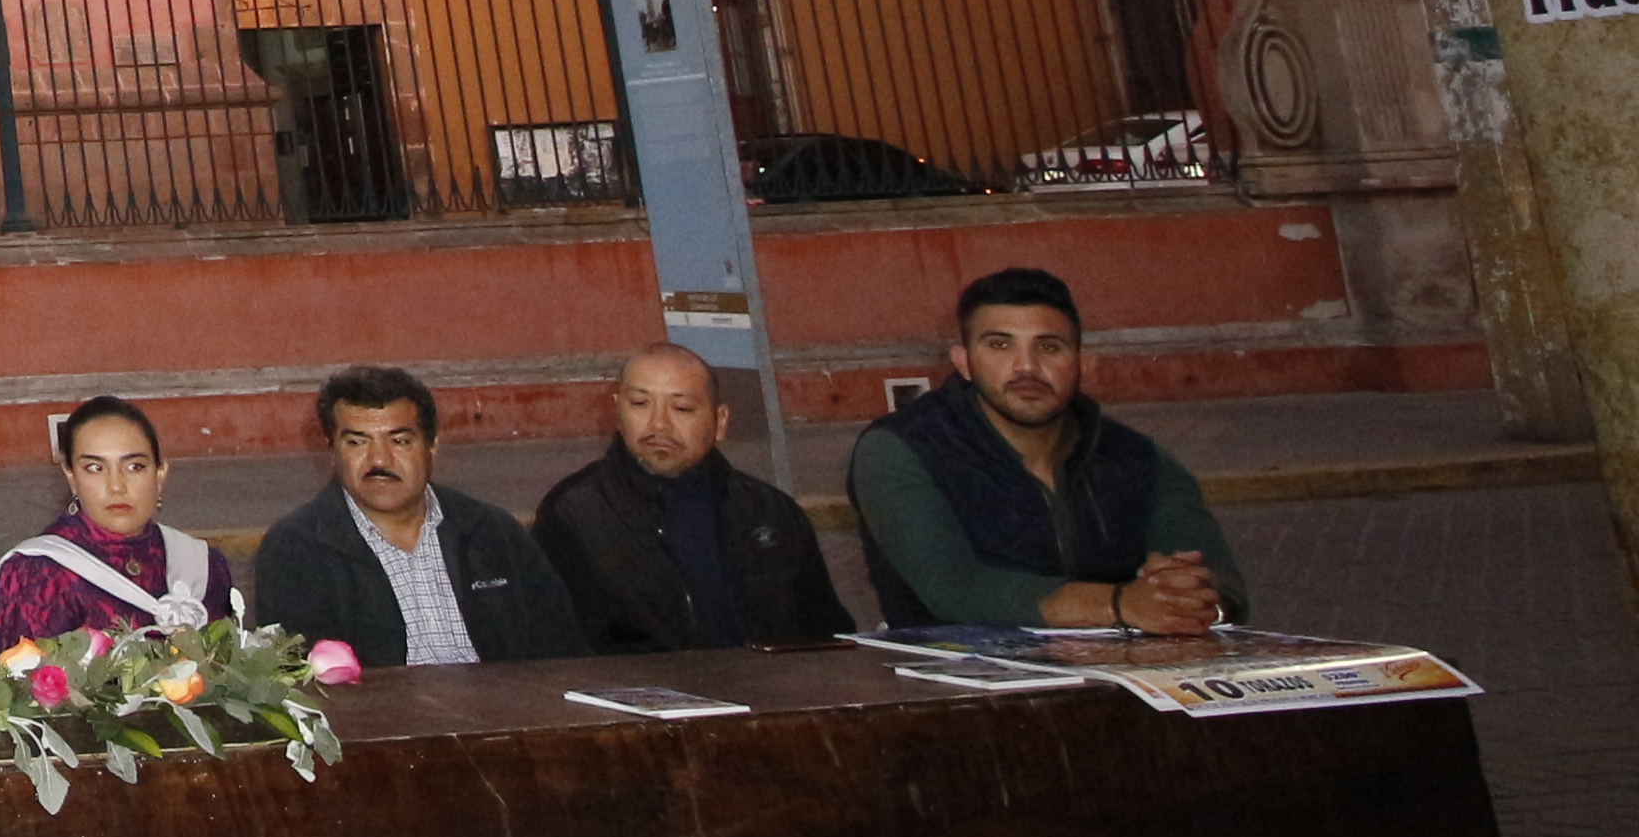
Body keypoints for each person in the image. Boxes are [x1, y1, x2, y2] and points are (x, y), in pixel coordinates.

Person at [850, 268, 1249, 633]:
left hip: (1120, 679)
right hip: (955, 683)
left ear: (1082, 364)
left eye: (1050, 347)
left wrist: (1192, 598)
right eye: (1000, 345)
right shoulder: (903, 448)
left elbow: (1219, 578)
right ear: (964, 362)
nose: (1026, 367)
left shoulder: (1135, 457)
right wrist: (1117, 604)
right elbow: (954, 588)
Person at [249, 368, 587, 671]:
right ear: (331, 451)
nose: (379, 459)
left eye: (399, 441)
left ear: (432, 445)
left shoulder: (493, 533)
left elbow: (562, 660)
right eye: (357, 442)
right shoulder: (296, 550)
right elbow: (302, 685)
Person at [530, 344, 856, 652]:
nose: (658, 424)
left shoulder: (768, 511)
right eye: (640, 404)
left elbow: (824, 636)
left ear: (720, 421)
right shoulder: (575, 513)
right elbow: (563, 650)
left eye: (681, 407)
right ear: (617, 412)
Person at [0, 397, 250, 647]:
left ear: (159, 474)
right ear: (71, 477)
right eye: (95, 468)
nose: (116, 486)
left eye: (134, 466)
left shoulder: (202, 565)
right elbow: (24, 688)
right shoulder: (38, 573)